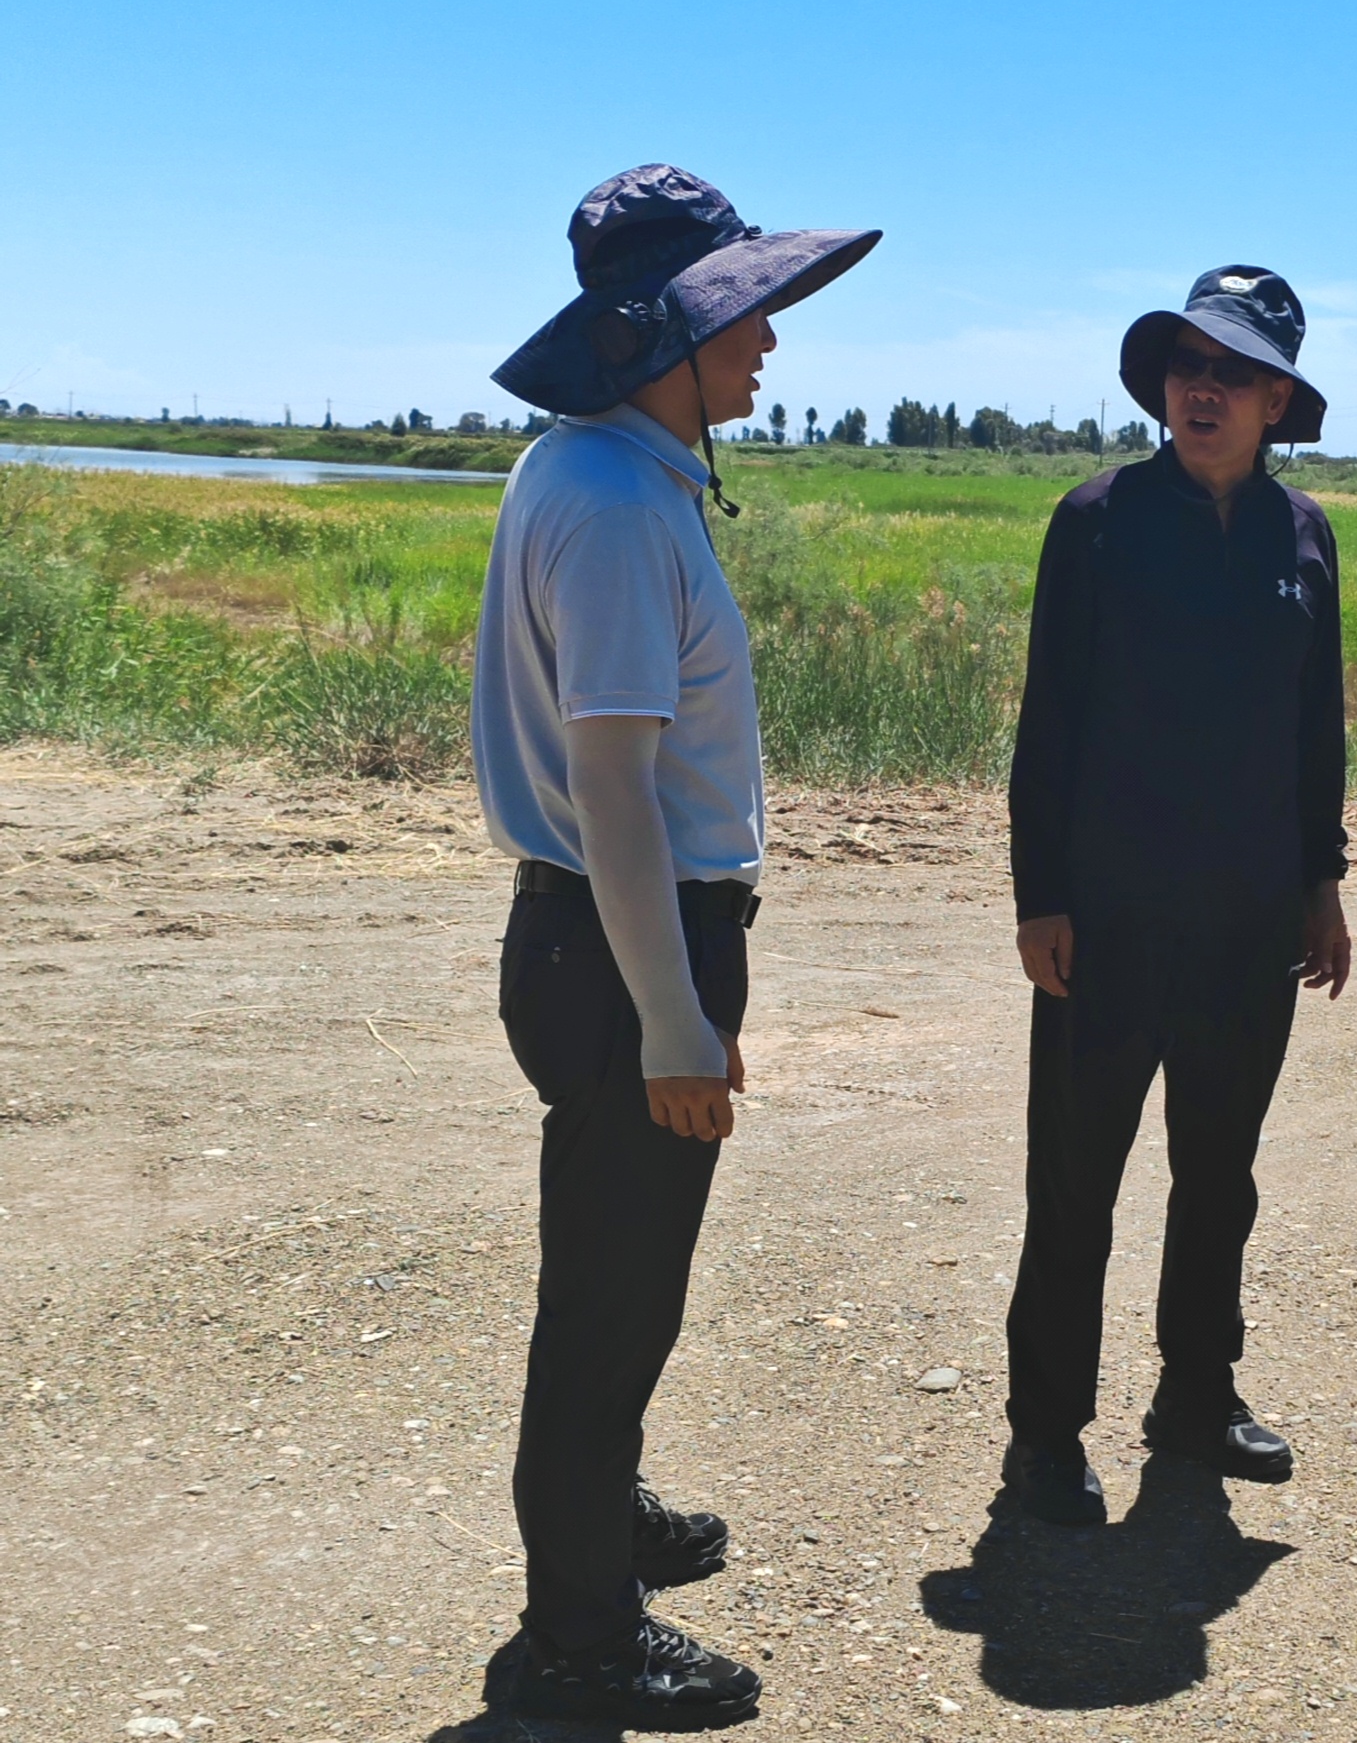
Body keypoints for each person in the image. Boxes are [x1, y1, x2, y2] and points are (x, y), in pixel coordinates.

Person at [473, 163, 878, 1729]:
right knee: (608, 1297)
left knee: (622, 1272)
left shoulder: (584, 471)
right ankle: (582, 1630)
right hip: (620, 941)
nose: (766, 339)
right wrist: (672, 1015)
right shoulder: (617, 505)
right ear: (660, 335)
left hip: (601, 938)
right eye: (740, 314)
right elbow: (615, 789)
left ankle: (606, 1510)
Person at [1002, 267, 1353, 1525]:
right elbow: (1048, 723)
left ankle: (1195, 1398)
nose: (1202, 390)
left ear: (1275, 400)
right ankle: (1045, 1432)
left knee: (1219, 1176)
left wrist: (1321, 883)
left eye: (1232, 373)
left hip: (1248, 922)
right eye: (1185, 366)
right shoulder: (1095, 521)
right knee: (1073, 1183)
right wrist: (1040, 896)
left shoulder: (1302, 535)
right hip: (1105, 919)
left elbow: (1317, 729)